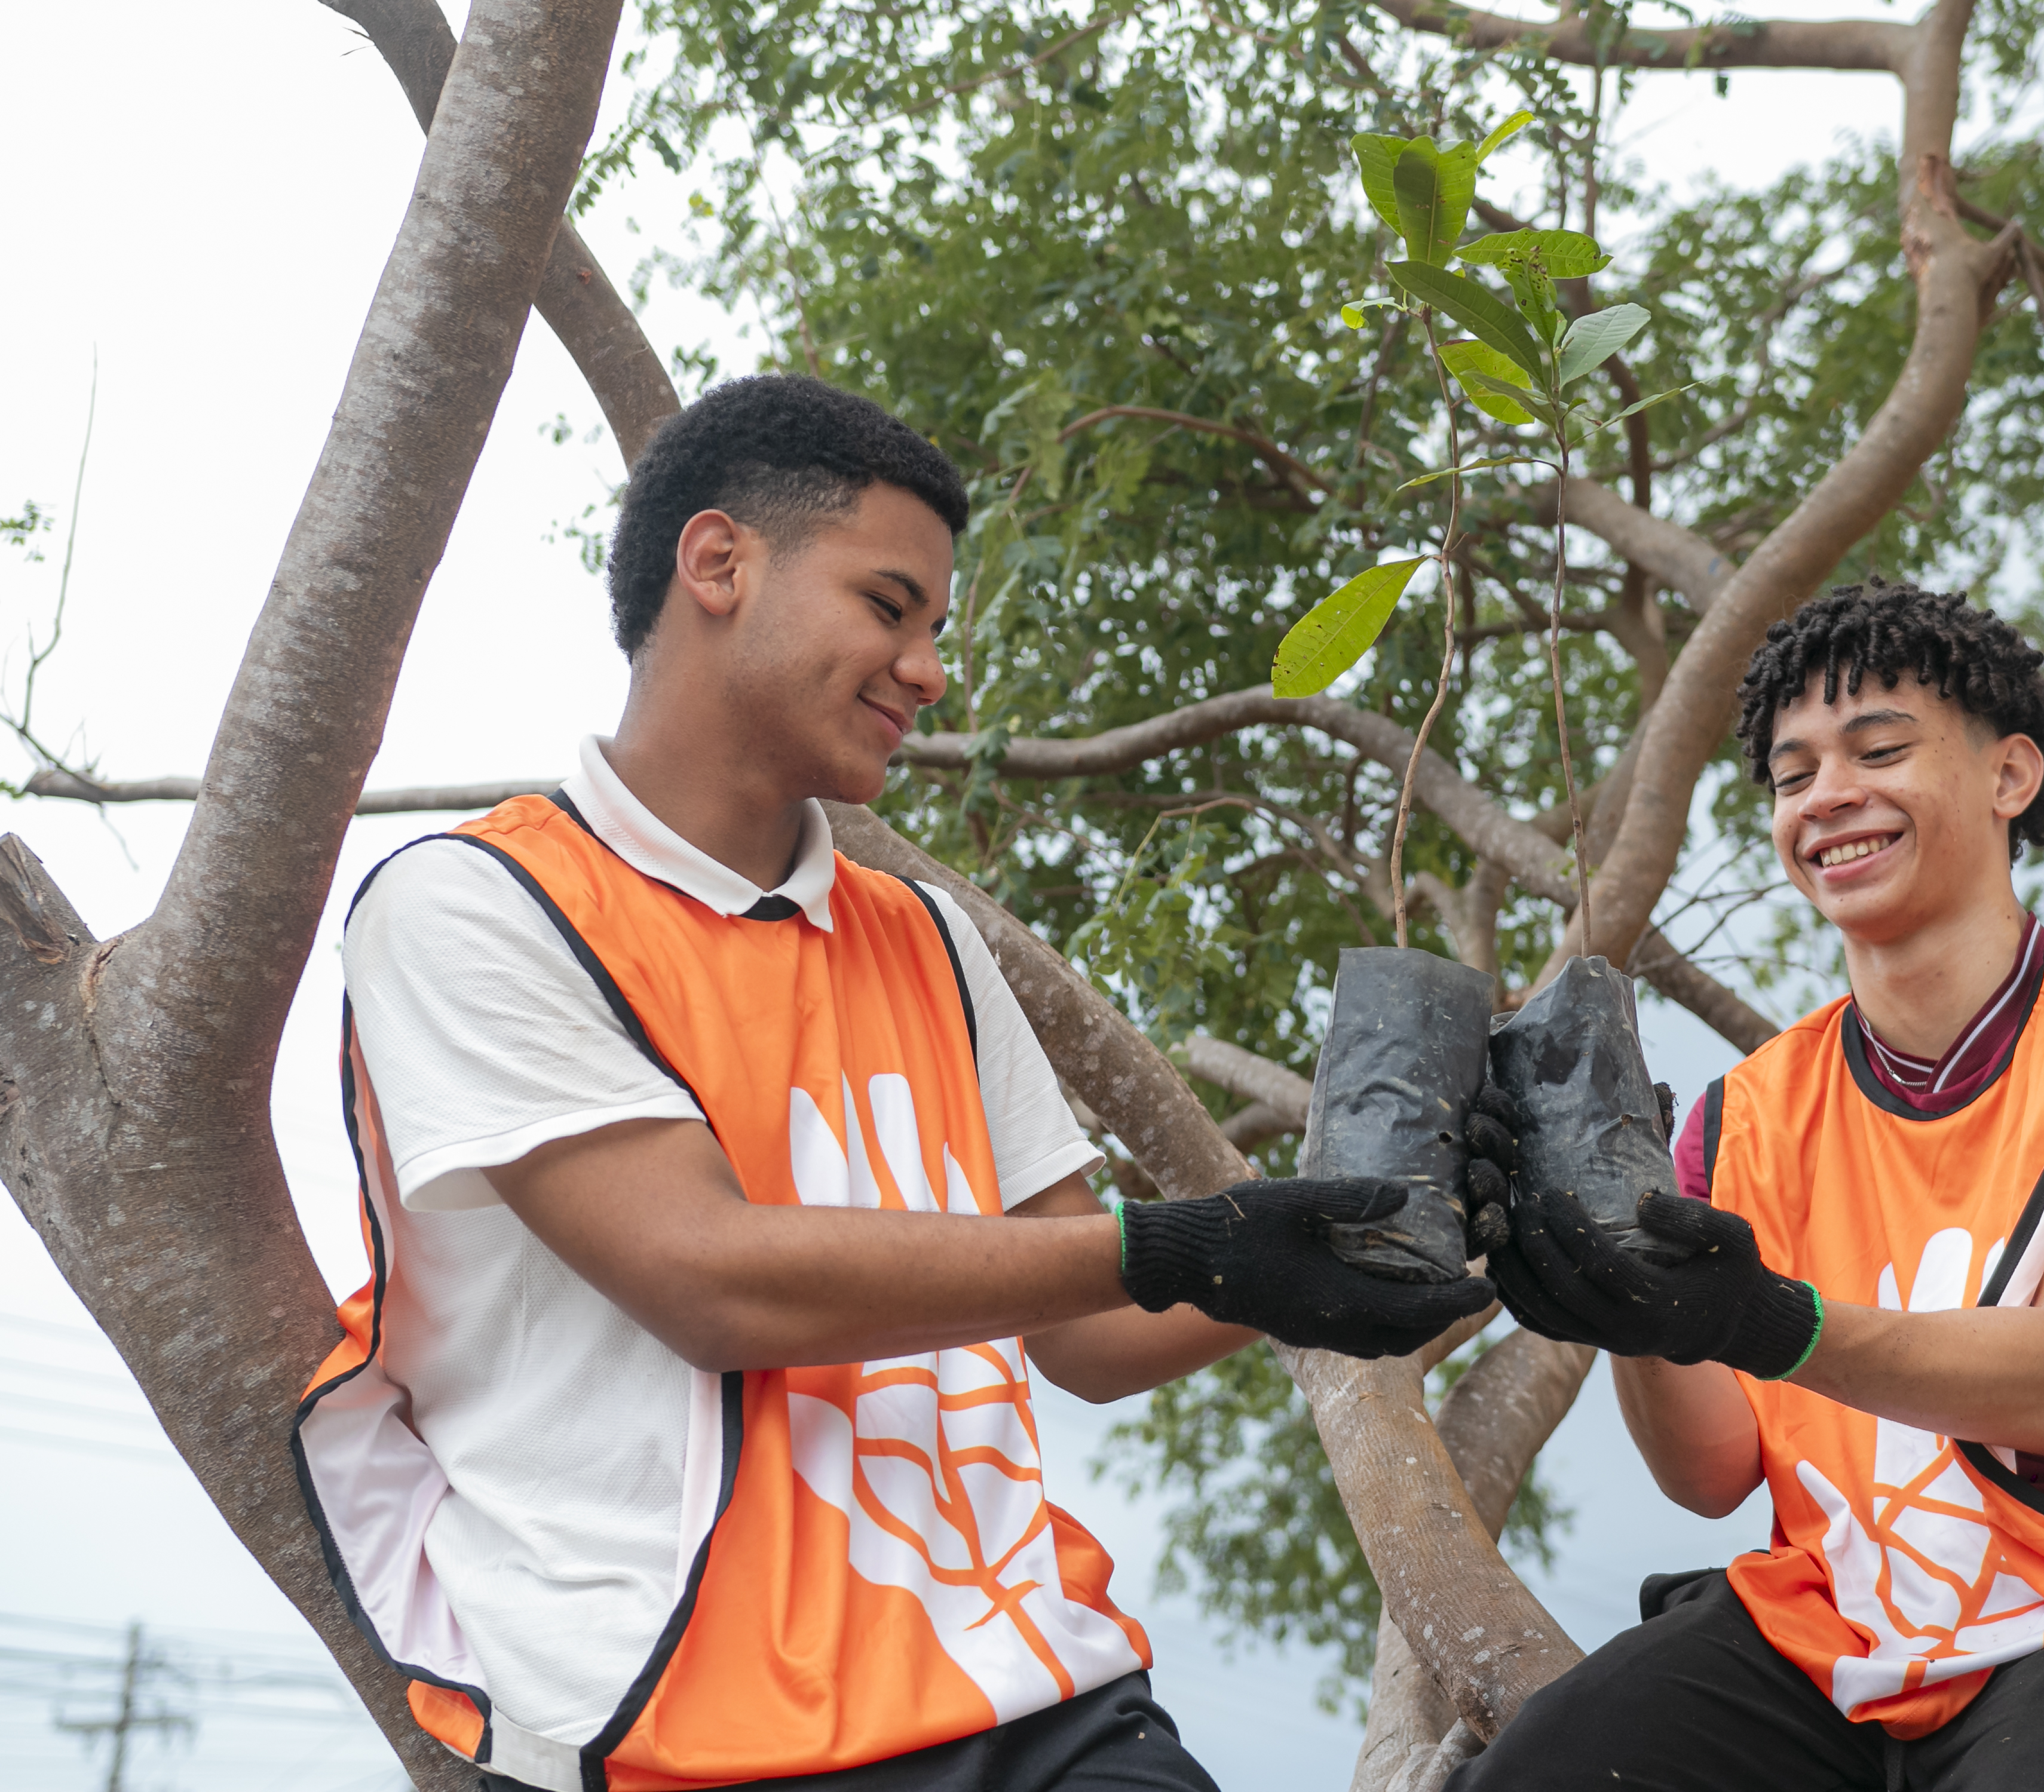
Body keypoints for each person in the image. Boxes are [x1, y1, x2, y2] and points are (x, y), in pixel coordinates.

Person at [293, 374, 1491, 1792]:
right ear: (719, 564)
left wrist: (1361, 1254)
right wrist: (1187, 1245)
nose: (928, 672)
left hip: (1029, 1681)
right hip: (676, 1716)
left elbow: (1084, 1330)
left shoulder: (929, 938)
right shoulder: (472, 904)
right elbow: (707, 1283)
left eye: (935, 631)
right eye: (889, 606)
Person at [1452, 581, 2044, 1791]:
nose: (1827, 797)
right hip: (1834, 1620)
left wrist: (1769, 1321)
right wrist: (1621, 1307)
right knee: (1537, 1772)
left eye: (1878, 750)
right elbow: (1711, 1473)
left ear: (2011, 776)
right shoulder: (1743, 1112)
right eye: (1793, 775)